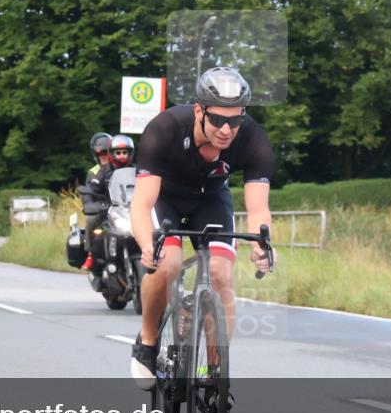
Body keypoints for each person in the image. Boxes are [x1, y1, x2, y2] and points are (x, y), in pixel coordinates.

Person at [129, 66, 277, 391]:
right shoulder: (164, 129)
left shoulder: (254, 139)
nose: (226, 129)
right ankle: (149, 340)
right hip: (164, 199)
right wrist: (145, 245)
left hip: (210, 200)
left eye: (235, 120)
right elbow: (141, 204)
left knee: (222, 275)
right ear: (199, 110)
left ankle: (214, 370)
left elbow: (258, 208)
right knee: (166, 264)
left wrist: (262, 245)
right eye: (217, 120)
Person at [80, 134, 136, 271]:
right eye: (118, 153)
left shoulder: (136, 169)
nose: (122, 156)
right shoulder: (99, 172)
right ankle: (90, 254)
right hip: (108, 208)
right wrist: (90, 203)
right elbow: (91, 189)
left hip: (131, 208)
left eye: (124, 152)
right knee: (91, 220)